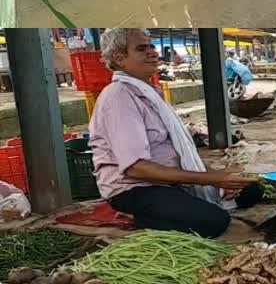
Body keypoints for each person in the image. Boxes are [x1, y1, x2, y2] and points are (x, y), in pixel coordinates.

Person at [89, 29, 264, 238]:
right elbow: (136, 169)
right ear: (119, 58)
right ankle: (137, 216)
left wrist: (216, 177)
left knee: (252, 190)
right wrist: (210, 179)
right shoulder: (118, 97)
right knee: (215, 221)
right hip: (136, 187)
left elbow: (179, 150)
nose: (152, 53)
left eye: (151, 46)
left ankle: (179, 206)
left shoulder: (151, 93)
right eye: (141, 49)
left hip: (169, 181)